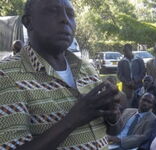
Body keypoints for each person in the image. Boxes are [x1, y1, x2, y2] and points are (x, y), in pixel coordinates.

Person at [0, 0, 121, 149]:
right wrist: (71, 120)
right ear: (28, 22)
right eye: (52, 11)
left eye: (70, 14)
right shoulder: (6, 75)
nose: (65, 19)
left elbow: (112, 130)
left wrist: (113, 116)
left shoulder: (87, 68)